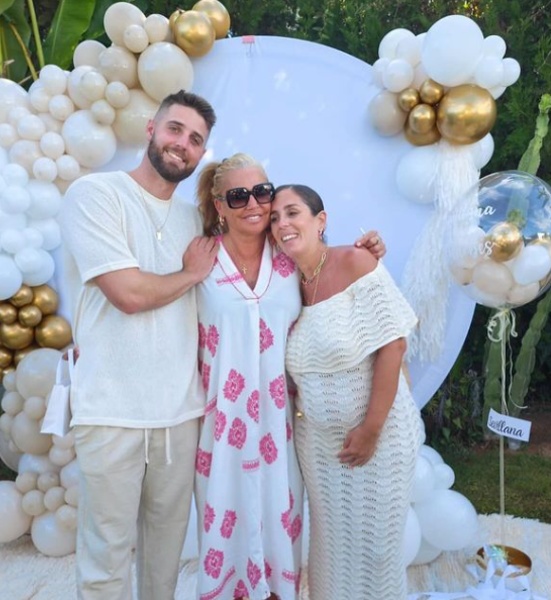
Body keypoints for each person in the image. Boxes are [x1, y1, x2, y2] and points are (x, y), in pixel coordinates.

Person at [193, 156, 386, 600]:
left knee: (280, 529)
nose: (254, 204)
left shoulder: (287, 258)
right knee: (225, 526)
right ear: (219, 205)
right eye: (239, 196)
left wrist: (367, 253)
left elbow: (333, 277)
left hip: (280, 426)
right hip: (220, 427)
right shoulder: (200, 258)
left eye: (262, 192)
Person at [60, 90, 218, 600]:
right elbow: (127, 294)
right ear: (151, 127)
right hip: (111, 412)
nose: (182, 145)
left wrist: (354, 253)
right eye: (176, 129)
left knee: (165, 560)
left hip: (179, 413)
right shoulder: (96, 194)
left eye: (196, 140)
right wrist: (189, 274)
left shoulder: (194, 221)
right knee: (106, 558)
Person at [269, 184, 423, 600]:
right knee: (330, 553)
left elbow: (394, 344)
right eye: (275, 217)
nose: (282, 223)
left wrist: (371, 429)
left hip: (381, 438)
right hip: (319, 449)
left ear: (321, 221)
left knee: (376, 553)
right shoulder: (282, 283)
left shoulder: (356, 261)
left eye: (293, 212)